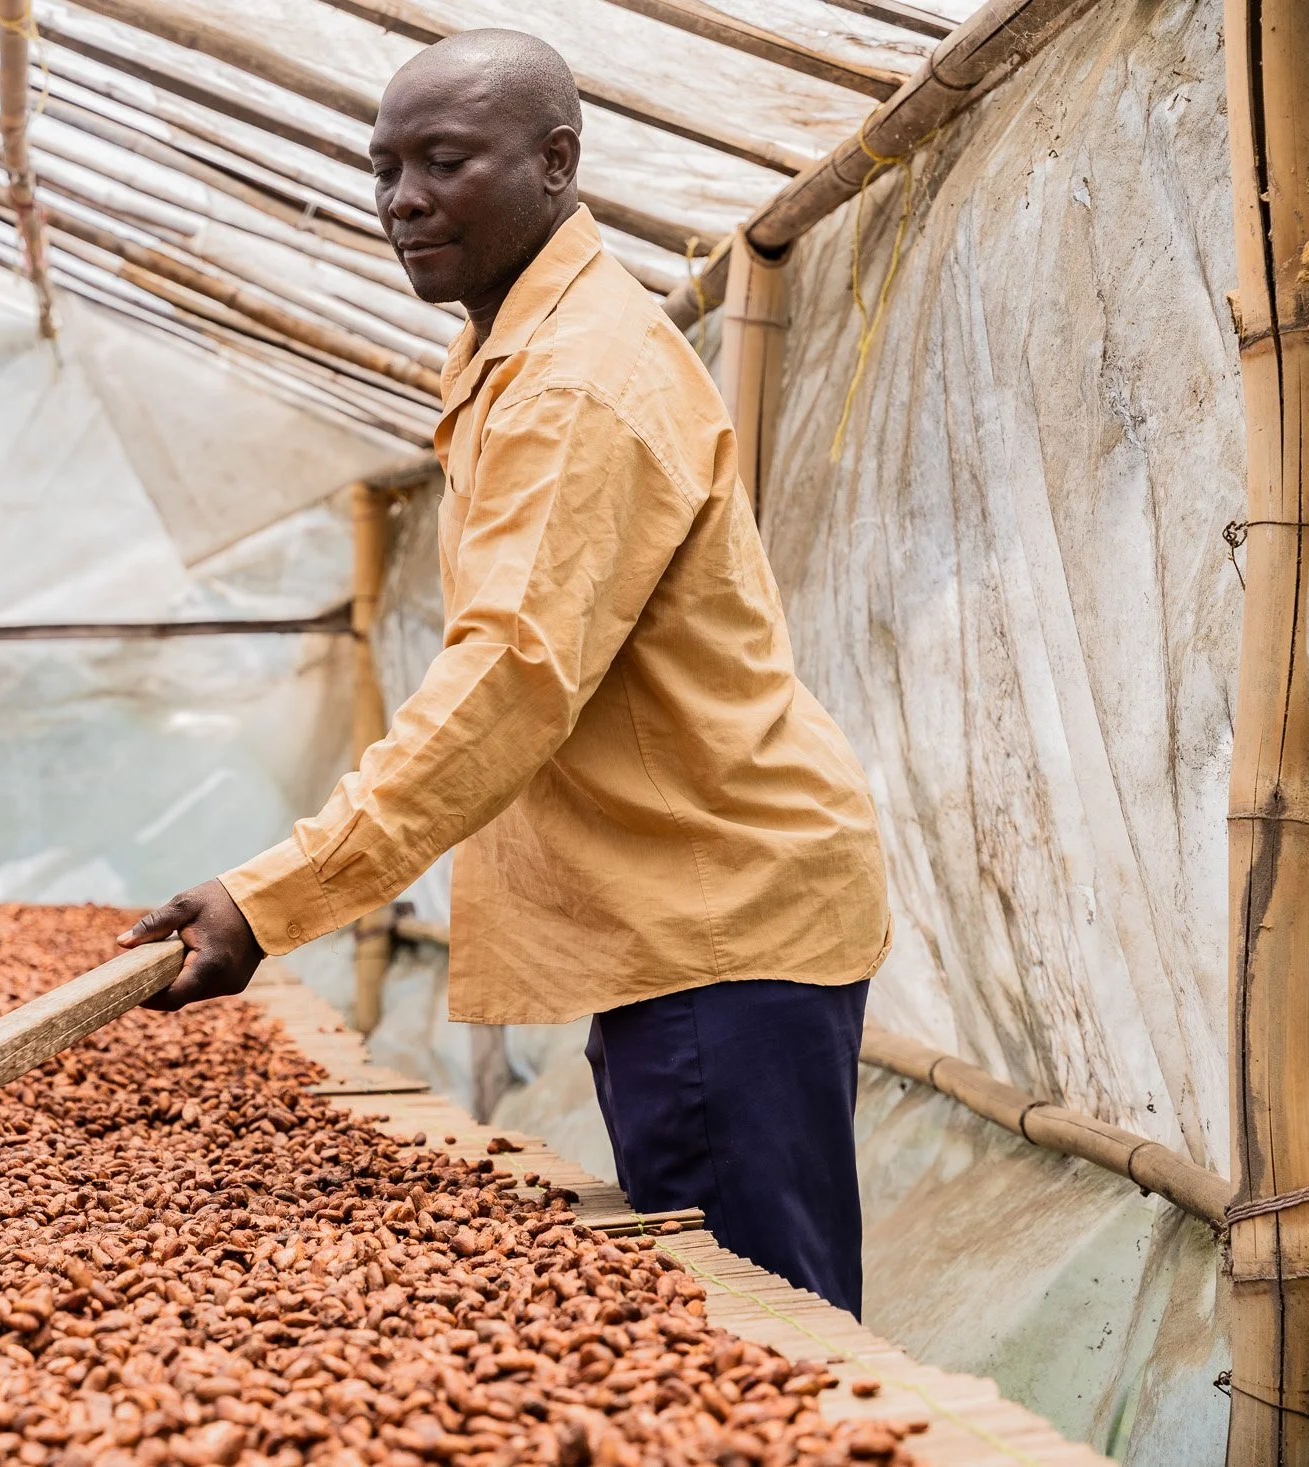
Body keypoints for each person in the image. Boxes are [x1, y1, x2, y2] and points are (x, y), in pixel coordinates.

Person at [116, 28, 890, 1317]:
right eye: (384, 168)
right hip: (683, 911)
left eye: (444, 161)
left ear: (556, 162)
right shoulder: (509, 348)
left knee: (775, 1338)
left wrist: (274, 899)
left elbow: (510, 681)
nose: (402, 200)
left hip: (712, 920)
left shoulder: (578, 378)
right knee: (746, 1312)